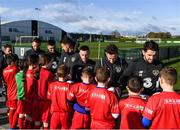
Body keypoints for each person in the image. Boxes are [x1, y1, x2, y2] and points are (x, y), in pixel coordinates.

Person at [47, 65, 73, 129]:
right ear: (67, 75)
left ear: (56, 74)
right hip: (65, 113)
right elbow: (71, 99)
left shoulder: (51, 85)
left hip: (54, 112)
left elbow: (49, 97)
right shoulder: (69, 86)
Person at [33, 53, 54, 129]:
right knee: (46, 123)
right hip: (45, 102)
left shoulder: (35, 71)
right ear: (47, 62)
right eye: (51, 62)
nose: (52, 64)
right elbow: (51, 89)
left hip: (35, 101)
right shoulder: (49, 74)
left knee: (37, 122)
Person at [2, 54, 19, 128]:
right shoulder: (15, 69)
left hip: (9, 92)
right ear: (12, 62)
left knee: (11, 110)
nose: (17, 63)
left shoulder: (4, 71)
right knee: (16, 111)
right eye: (16, 61)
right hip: (15, 93)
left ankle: (12, 126)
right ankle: (13, 126)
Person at [23, 54, 39, 129]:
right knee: (31, 118)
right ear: (34, 63)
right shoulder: (31, 74)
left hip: (28, 99)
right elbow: (31, 89)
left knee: (28, 118)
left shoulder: (28, 72)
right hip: (31, 100)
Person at [15, 59, 26, 129]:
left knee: (20, 114)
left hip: (19, 96)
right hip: (25, 97)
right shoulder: (26, 74)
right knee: (25, 114)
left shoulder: (16, 75)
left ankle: (21, 127)